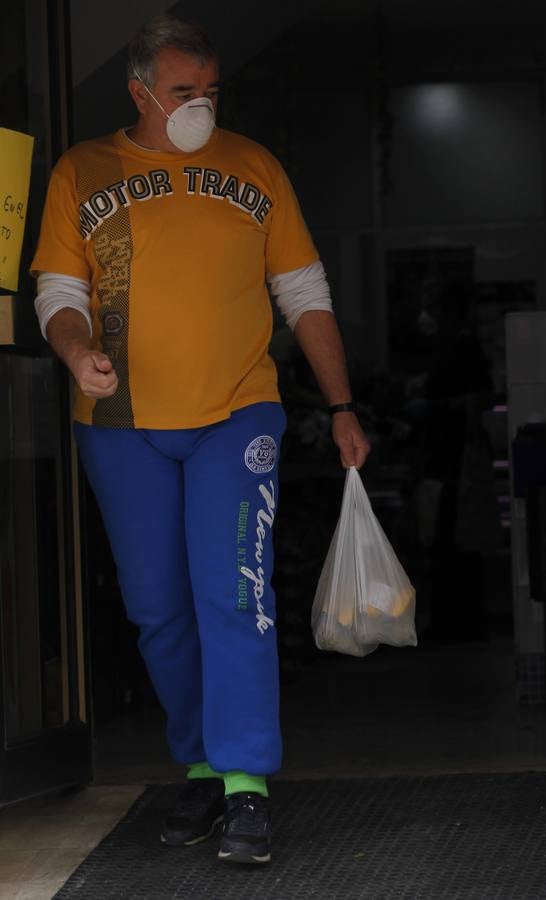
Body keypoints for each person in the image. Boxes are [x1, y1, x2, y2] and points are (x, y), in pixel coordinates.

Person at [30, 15, 370, 866]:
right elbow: (57, 291)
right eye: (184, 93)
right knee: (159, 613)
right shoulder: (85, 170)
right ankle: (204, 764)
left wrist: (341, 404)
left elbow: (304, 292)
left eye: (212, 91)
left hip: (236, 416)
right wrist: (77, 353)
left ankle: (247, 787)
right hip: (119, 425)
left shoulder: (253, 167)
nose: (201, 107)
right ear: (140, 91)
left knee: (237, 598)